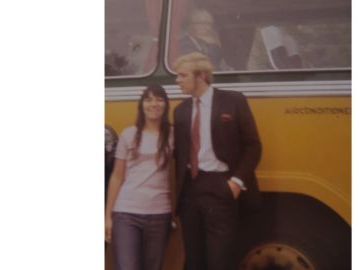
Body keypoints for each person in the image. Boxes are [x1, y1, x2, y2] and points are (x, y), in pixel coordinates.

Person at [173, 52, 262, 270]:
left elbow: (253, 145)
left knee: (219, 261)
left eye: (183, 75)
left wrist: (236, 182)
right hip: (190, 190)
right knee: (194, 260)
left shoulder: (233, 101)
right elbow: (179, 151)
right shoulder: (180, 111)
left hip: (221, 187)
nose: (177, 80)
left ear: (201, 76)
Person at [105, 85, 173, 270]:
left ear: (166, 105)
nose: (154, 104)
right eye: (148, 99)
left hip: (160, 214)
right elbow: (117, 177)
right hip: (126, 213)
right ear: (141, 105)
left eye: (159, 99)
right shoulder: (129, 134)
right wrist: (108, 216)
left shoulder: (173, 135)